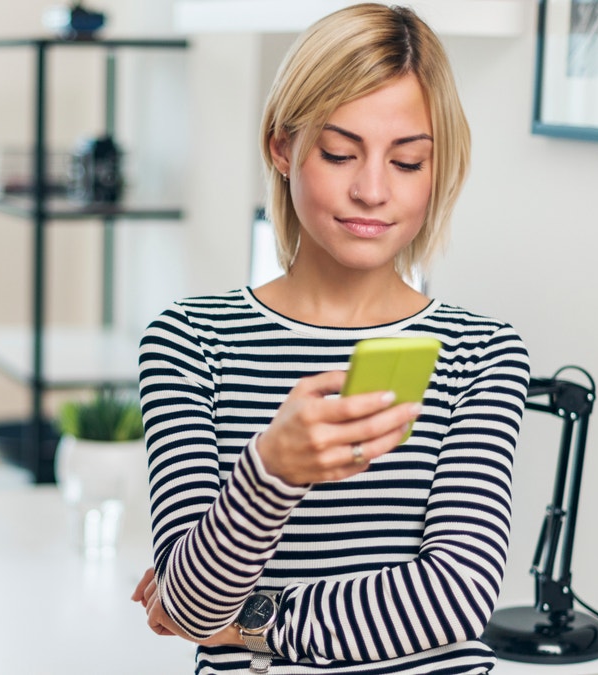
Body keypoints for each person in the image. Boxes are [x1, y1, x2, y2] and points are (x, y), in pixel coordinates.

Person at [130, 4, 530, 674]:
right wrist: (272, 469)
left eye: (407, 162)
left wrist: (257, 620)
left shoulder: (479, 352)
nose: (372, 189)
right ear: (282, 146)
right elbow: (192, 609)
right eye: (340, 153)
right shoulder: (190, 341)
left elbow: (456, 596)